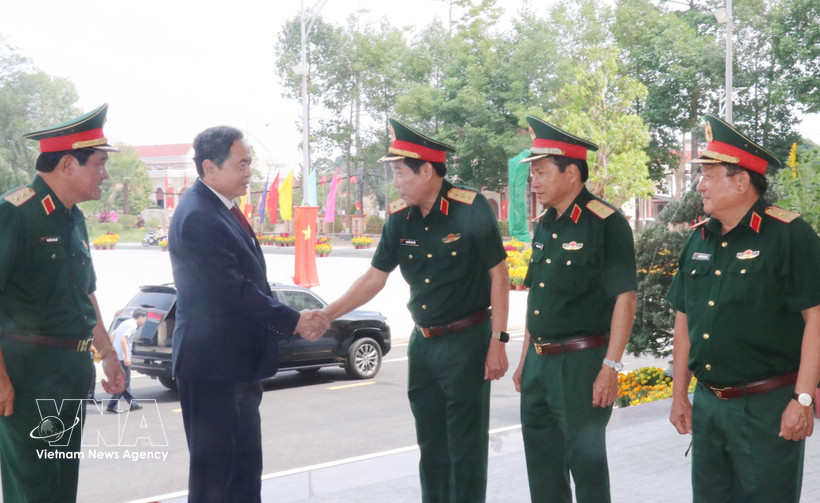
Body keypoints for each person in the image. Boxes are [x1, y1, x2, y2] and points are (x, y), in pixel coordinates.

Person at [321, 118, 510, 503]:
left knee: (466, 450)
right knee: (431, 449)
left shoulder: (470, 208)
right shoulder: (399, 220)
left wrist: (498, 341)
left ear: (427, 171)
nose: (395, 183)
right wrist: (327, 314)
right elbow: (375, 278)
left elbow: (500, 275)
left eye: (399, 173)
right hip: (424, 347)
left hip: (467, 342)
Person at [168, 125, 328, 503]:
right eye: (241, 164)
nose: (248, 172)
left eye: (250, 164)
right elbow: (231, 290)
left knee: (242, 473)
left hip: (234, 366)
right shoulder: (198, 216)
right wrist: (294, 321)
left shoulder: (219, 208)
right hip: (212, 368)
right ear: (210, 168)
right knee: (216, 481)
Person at [667, 114, 820, 503]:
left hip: (767, 408)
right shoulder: (698, 239)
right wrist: (680, 394)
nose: (700, 185)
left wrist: (802, 399)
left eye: (709, 175)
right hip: (709, 407)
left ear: (741, 180)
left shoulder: (788, 234)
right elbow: (683, 319)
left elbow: (815, 318)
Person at [0, 104, 126, 502]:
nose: (105, 174)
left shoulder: (74, 218)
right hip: (27, 373)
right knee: (33, 487)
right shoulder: (15, 212)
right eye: (100, 163)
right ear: (69, 164)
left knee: (61, 484)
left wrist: (107, 353)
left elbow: (85, 292)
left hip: (70, 371)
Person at [511, 116, 637, 503]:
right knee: (543, 470)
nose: (534, 181)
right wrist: (523, 361)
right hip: (539, 365)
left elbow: (625, 298)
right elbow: (539, 298)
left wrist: (610, 368)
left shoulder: (606, 223)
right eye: (532, 174)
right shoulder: (545, 225)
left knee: (586, 468)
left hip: (582, 364)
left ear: (571, 173)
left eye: (541, 172)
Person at [106, 308, 148, 413]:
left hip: (117, 356)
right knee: (124, 382)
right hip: (122, 358)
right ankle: (111, 405)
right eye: (145, 319)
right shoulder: (133, 325)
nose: (144, 321)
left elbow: (112, 335)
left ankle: (133, 404)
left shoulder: (125, 322)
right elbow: (123, 339)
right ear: (141, 317)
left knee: (126, 382)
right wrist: (126, 356)